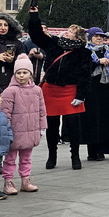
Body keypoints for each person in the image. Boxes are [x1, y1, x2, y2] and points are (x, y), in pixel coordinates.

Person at [27, 9, 90, 170]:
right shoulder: (53, 43)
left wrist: (81, 95)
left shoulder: (83, 53)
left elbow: (85, 75)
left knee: (73, 126)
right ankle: (51, 156)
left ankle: (75, 156)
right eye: (68, 30)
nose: (66, 32)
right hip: (51, 89)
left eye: (71, 31)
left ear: (77, 37)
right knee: (52, 125)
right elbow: (36, 35)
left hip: (70, 90)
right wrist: (34, 15)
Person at [0, 57, 46, 195]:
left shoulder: (37, 90)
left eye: (24, 72)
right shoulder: (10, 91)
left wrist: (42, 128)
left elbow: (42, 110)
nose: (21, 76)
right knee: (10, 159)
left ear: (30, 74)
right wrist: (6, 130)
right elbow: (5, 113)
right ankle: (8, 181)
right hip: (14, 131)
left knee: (26, 158)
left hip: (31, 130)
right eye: (18, 72)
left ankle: (26, 180)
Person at [80, 28, 109, 161]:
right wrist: (97, 62)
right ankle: (92, 151)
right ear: (90, 37)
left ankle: (102, 150)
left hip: (108, 90)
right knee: (93, 120)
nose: (99, 38)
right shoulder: (85, 50)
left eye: (101, 36)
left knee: (106, 120)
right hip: (91, 91)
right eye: (96, 36)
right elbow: (82, 67)